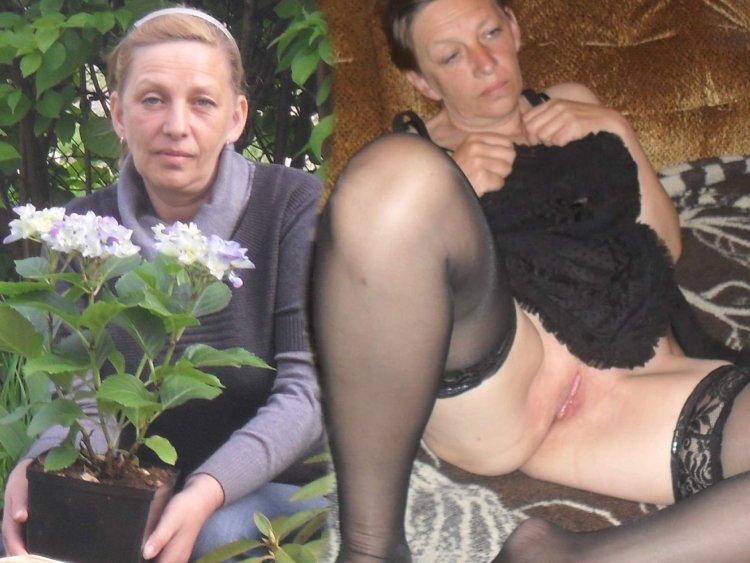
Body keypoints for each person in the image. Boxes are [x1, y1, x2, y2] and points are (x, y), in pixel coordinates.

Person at [310, 0, 750, 561]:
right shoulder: (424, 164)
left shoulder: (573, 108)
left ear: (515, 29)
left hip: (647, 388)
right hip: (510, 389)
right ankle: (370, 550)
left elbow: (664, 247)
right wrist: (457, 188)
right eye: (451, 55)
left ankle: (559, 557)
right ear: (423, 81)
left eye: (490, 32)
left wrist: (616, 130)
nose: (484, 62)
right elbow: (367, 272)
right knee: (395, 173)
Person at [1, 7, 326, 563]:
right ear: (118, 115)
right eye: (152, 100)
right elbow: (82, 398)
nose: (177, 125)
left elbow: (308, 393)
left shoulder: (296, 208)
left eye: (202, 102)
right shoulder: (85, 231)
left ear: (236, 118)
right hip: (140, 485)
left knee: (217, 538)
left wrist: (202, 492)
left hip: (290, 487)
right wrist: (41, 469)